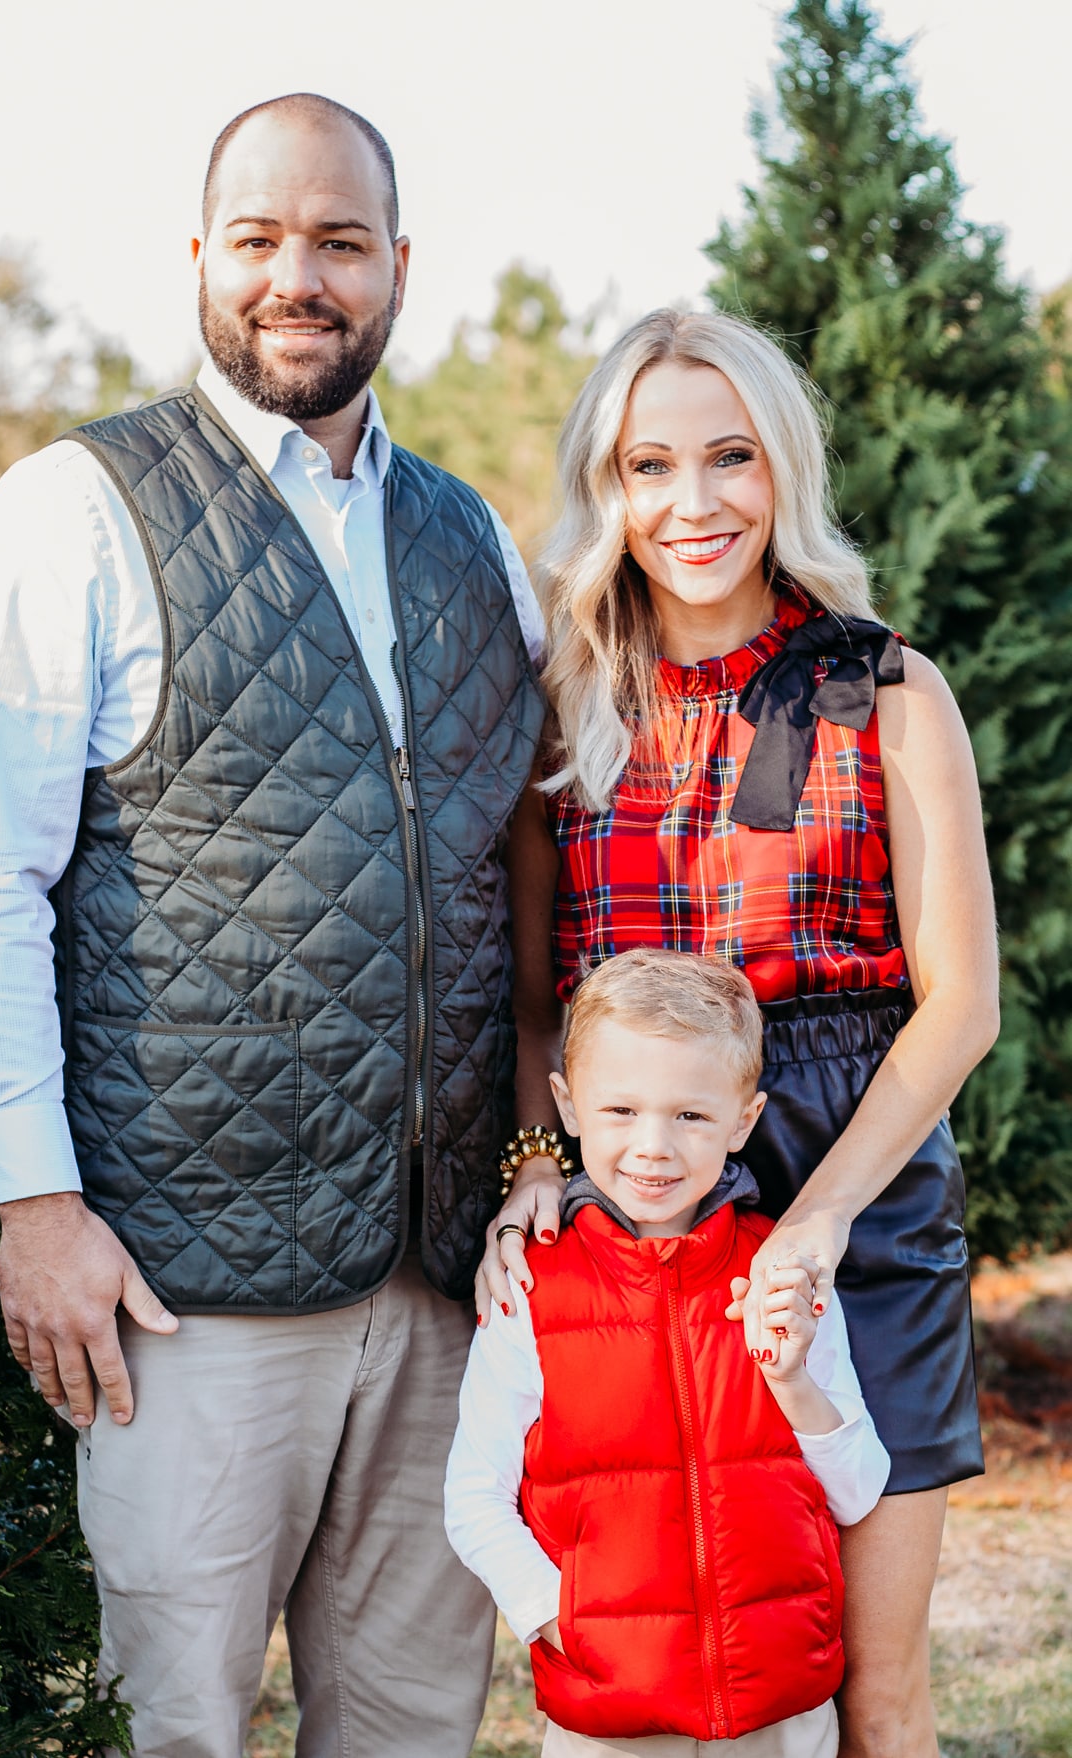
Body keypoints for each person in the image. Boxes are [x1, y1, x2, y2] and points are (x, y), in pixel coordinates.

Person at [0, 93, 546, 1758]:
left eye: (339, 241)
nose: (298, 276)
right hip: (179, 1291)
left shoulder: (473, 536)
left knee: (411, 1724)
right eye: (260, 238)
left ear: (397, 268)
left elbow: (520, 860)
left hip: (442, 1281)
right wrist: (34, 1200)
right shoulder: (73, 509)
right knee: (178, 1726)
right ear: (202, 256)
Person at [478, 308, 999, 1758]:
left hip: (855, 1185)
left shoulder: (882, 688)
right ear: (607, 488)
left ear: (782, 468)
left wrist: (819, 1219)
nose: (691, 502)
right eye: (649, 465)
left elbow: (960, 1000)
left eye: (729, 457)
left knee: (869, 1696)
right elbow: (535, 1000)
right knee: (660, 1683)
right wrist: (537, 1159)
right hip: (635, 1195)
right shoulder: (560, 703)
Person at [447, 948, 890, 1758]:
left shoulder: (782, 1275)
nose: (653, 1147)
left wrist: (792, 1382)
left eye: (690, 1116)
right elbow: (473, 1497)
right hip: (610, 1714)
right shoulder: (530, 1290)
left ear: (743, 1121)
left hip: (781, 1710)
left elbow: (859, 1493)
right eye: (620, 1111)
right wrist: (561, 1618)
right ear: (569, 1107)